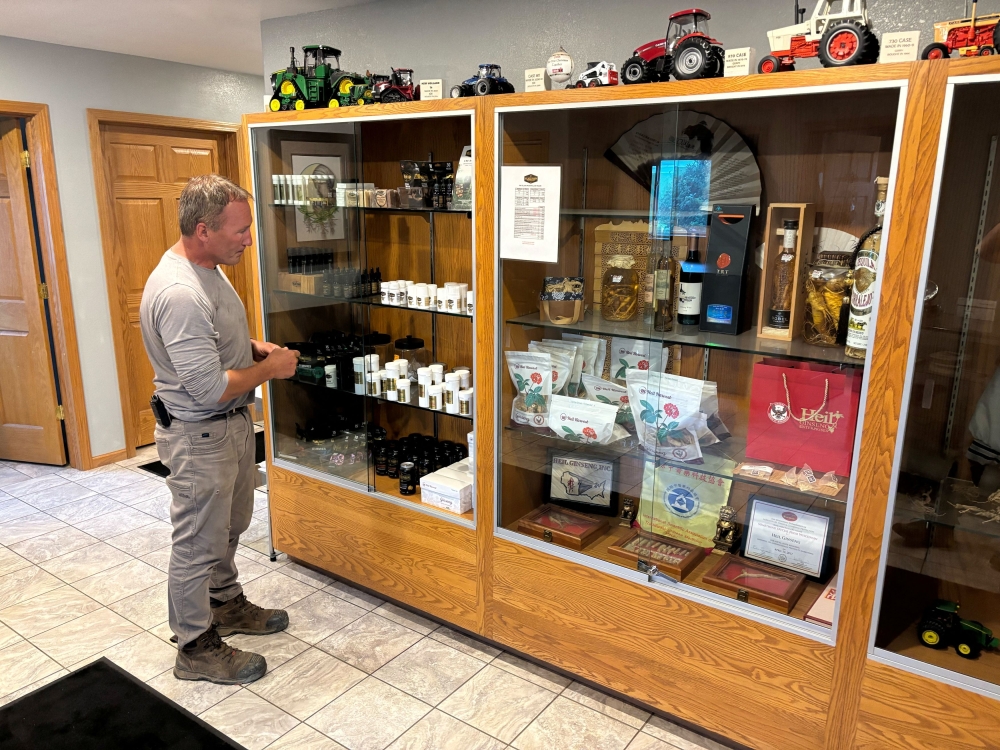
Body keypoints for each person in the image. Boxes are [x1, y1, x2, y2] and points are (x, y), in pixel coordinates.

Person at [139, 174, 299, 685]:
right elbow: (207, 387)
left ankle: (224, 603)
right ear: (203, 230)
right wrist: (269, 370)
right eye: (241, 230)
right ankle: (194, 646)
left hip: (229, 425)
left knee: (229, 527)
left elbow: (210, 344)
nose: (249, 239)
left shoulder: (208, 269)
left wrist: (250, 348)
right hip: (199, 433)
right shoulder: (180, 292)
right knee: (197, 543)